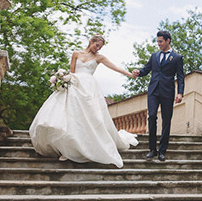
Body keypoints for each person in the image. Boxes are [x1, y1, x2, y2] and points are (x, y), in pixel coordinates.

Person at [29, 35, 138, 168]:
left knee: (91, 117)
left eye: (100, 47)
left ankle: (86, 147)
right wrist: (64, 81)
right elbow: (72, 72)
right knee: (70, 116)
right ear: (90, 42)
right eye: (97, 45)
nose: (98, 49)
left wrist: (129, 74)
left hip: (90, 88)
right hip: (75, 86)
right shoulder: (76, 53)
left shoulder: (99, 57)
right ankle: (68, 149)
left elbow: (114, 67)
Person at [132, 30, 184, 162]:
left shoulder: (177, 58)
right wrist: (139, 72)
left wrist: (180, 93)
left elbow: (181, 77)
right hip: (153, 91)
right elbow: (146, 70)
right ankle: (152, 150)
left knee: (166, 121)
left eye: (161, 41)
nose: (159, 44)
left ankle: (162, 151)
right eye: (158, 41)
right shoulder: (154, 56)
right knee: (152, 116)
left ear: (168, 41)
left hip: (168, 92)